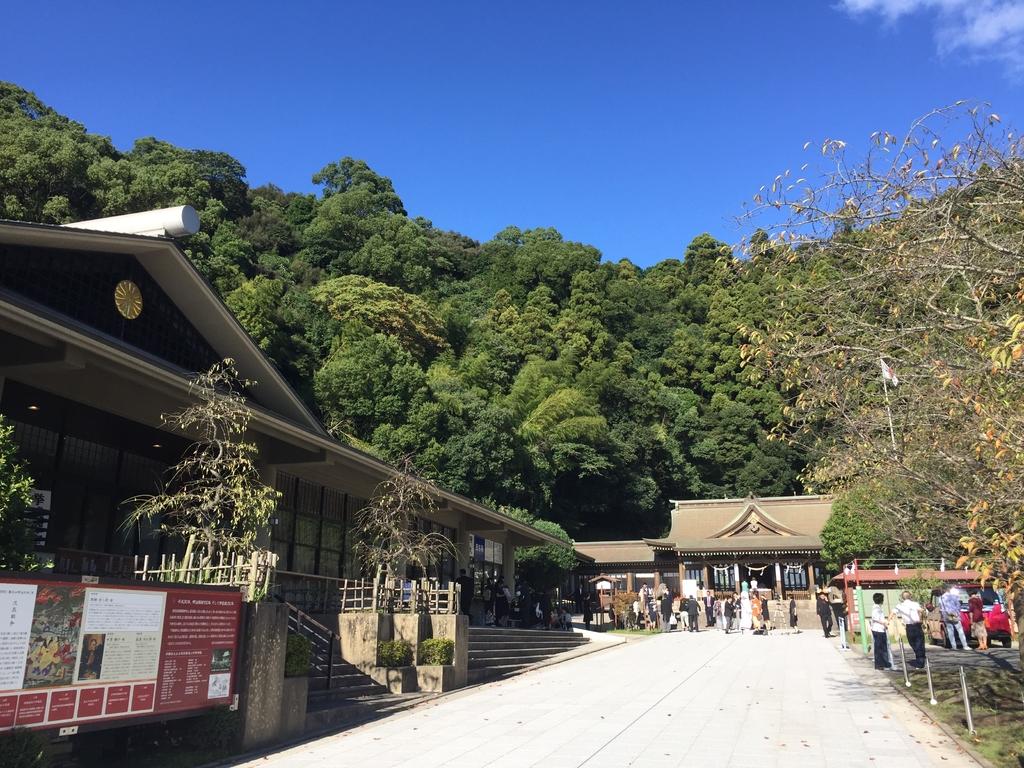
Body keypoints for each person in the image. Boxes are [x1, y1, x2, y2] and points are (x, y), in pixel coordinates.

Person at [893, 590, 926, 667]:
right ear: (910, 596)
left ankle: (920, 659)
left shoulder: (900, 605)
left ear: (902, 597)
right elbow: (921, 611)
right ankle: (921, 657)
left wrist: (888, 620)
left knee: (912, 642)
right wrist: (922, 617)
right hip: (917, 625)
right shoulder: (915, 604)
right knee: (920, 642)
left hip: (909, 627)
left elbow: (893, 612)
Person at [870, 593, 893, 670]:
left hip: (880, 629)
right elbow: (875, 618)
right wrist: (884, 623)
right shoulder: (876, 609)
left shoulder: (878, 607)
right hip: (878, 629)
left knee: (882, 647)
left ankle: (884, 662)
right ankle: (880, 664)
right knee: (879, 647)